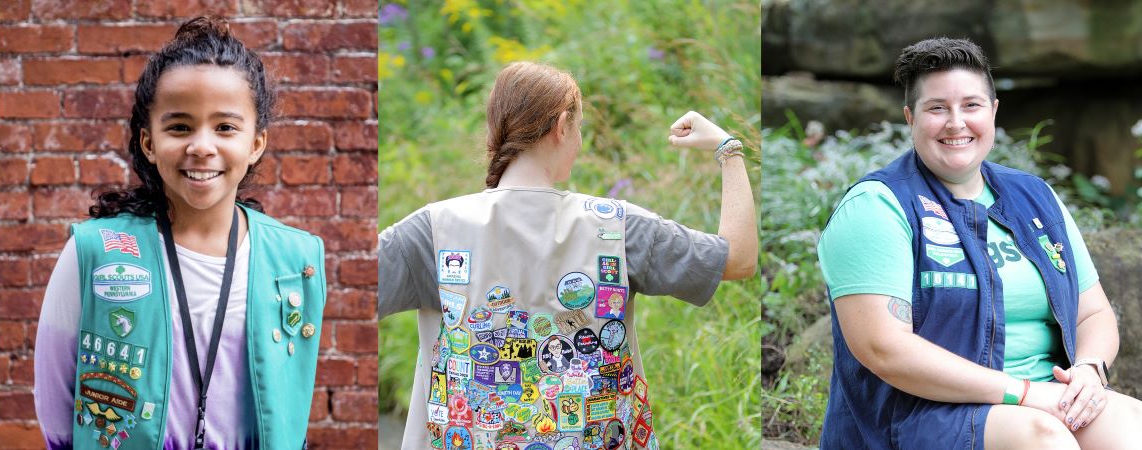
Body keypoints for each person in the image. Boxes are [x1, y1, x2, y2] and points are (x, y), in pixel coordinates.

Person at [377, 61, 758, 449]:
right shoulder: (617, 227)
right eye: (578, 129)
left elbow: (339, 292)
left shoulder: (433, 230)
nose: (578, 143)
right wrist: (728, 149)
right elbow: (739, 258)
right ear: (562, 126)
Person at [818, 37, 1137, 449]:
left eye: (971, 105)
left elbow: (1091, 313)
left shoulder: (1034, 195)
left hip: (1048, 397)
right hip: (918, 416)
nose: (956, 123)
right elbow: (885, 348)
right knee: (1044, 439)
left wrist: (1090, 371)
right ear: (910, 117)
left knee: (1132, 423)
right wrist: (1023, 394)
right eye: (937, 108)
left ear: (993, 111)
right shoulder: (877, 206)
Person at [32, 16, 329, 450]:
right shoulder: (93, 252)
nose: (202, 146)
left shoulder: (297, 258)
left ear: (256, 143)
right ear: (149, 142)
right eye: (180, 127)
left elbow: (290, 406)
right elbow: (56, 405)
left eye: (225, 127)